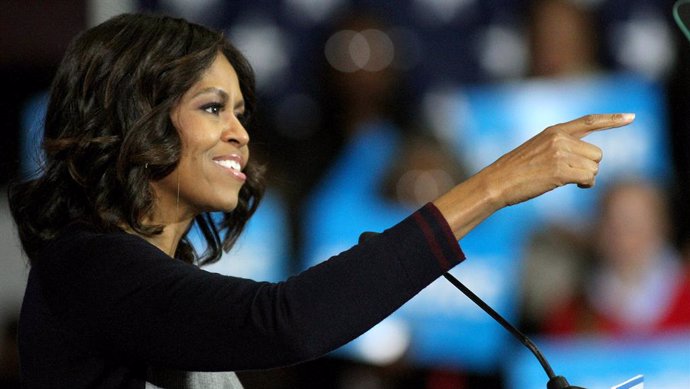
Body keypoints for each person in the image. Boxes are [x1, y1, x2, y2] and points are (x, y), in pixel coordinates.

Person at [7, 12, 633, 388]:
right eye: (212, 108)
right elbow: (287, 321)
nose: (241, 133)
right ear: (135, 116)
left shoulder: (156, 279)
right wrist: (493, 187)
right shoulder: (84, 266)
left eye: (242, 112)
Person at [544, 180, 690, 336]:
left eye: (634, 224)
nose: (623, 236)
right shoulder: (571, 315)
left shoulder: (685, 296)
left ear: (662, 226)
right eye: (613, 224)